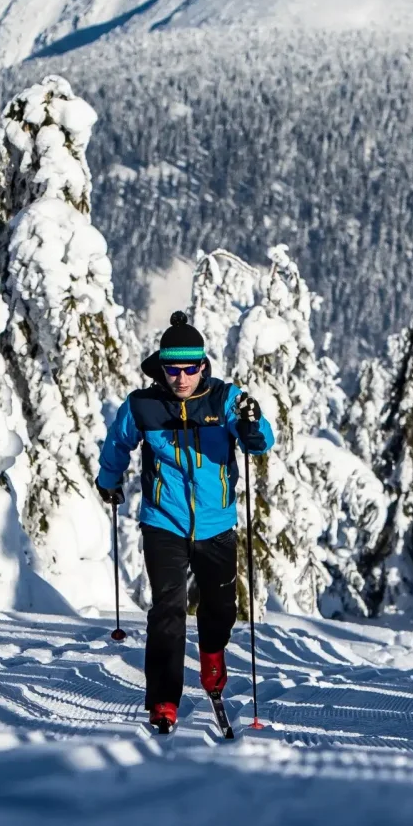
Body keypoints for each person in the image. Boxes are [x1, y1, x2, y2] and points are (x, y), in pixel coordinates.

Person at [96, 312, 275, 734]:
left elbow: (260, 443)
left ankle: (212, 654)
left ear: (202, 365)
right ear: (161, 368)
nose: (181, 378)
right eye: (172, 369)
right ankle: (163, 700)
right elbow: (118, 442)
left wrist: (251, 422)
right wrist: (109, 481)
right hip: (164, 522)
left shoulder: (226, 401)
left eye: (189, 368)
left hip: (217, 523)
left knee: (221, 610)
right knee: (168, 610)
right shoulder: (143, 405)